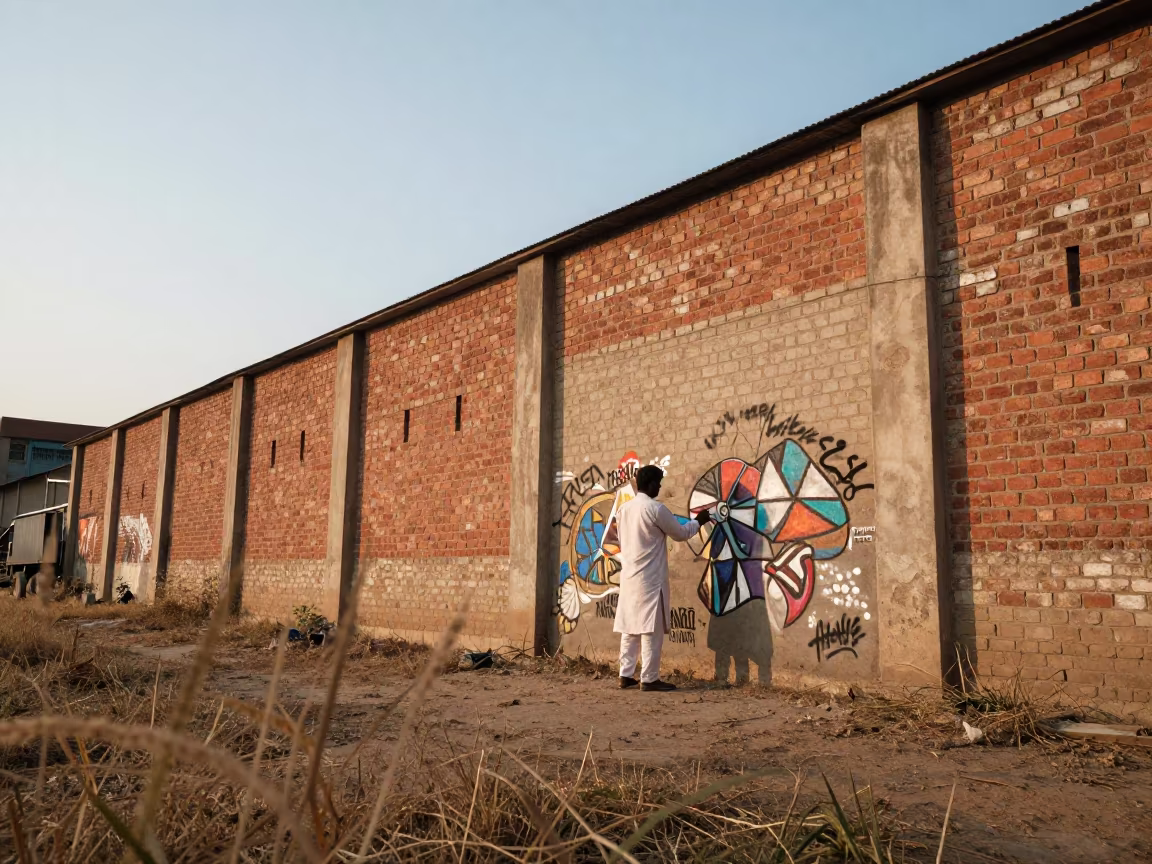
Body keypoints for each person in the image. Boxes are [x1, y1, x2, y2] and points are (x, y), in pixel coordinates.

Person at [613, 465, 711, 691]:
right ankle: (649, 678)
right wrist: (700, 521)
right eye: (658, 482)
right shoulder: (656, 509)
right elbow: (681, 533)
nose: (660, 486)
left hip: (629, 577)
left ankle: (625, 675)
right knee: (651, 630)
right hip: (650, 580)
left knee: (630, 629)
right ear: (649, 484)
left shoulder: (623, 510)